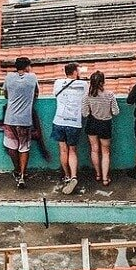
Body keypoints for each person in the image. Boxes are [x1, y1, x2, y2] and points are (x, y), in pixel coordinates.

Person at [51, 62, 88, 194]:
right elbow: (86, 99)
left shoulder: (57, 83)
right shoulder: (84, 85)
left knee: (63, 150)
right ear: (75, 72)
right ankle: (73, 176)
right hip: (74, 122)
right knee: (72, 150)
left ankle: (66, 176)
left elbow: (55, 94)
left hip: (59, 120)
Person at [3, 56, 39, 189]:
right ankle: (23, 175)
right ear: (27, 67)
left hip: (10, 118)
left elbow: (6, 95)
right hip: (25, 119)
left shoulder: (8, 77)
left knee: (12, 147)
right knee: (23, 148)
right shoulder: (32, 77)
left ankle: (17, 170)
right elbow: (36, 93)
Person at [82, 71, 120, 186]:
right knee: (105, 152)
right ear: (103, 82)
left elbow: (84, 113)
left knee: (94, 150)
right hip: (105, 124)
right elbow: (116, 112)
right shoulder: (110, 95)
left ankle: (98, 174)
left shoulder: (87, 96)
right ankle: (105, 178)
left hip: (92, 124)